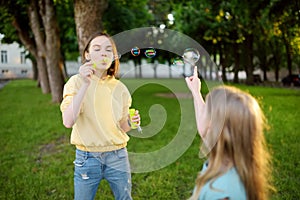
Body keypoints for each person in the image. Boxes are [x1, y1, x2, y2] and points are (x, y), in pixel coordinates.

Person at [60, 32, 140, 200]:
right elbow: (68, 121)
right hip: (87, 157)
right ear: (87, 55)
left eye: (108, 50)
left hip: (118, 156)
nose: (103, 53)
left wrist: (131, 123)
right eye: (97, 49)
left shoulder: (120, 88)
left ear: (113, 57)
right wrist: (85, 84)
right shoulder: (76, 82)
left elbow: (122, 127)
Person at [185, 66, 273, 200]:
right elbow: (205, 128)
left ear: (218, 133)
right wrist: (196, 92)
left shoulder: (222, 193)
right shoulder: (232, 168)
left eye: (208, 115)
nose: (204, 119)